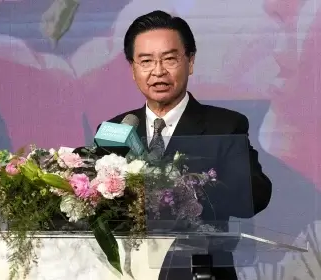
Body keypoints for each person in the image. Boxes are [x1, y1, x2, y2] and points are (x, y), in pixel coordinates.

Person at [97, 10, 272, 279]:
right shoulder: (115, 129)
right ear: (133, 69)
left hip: (200, 270)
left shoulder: (224, 126)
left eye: (169, 59)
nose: (158, 71)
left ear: (190, 62)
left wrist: (181, 191)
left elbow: (255, 195)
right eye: (146, 61)